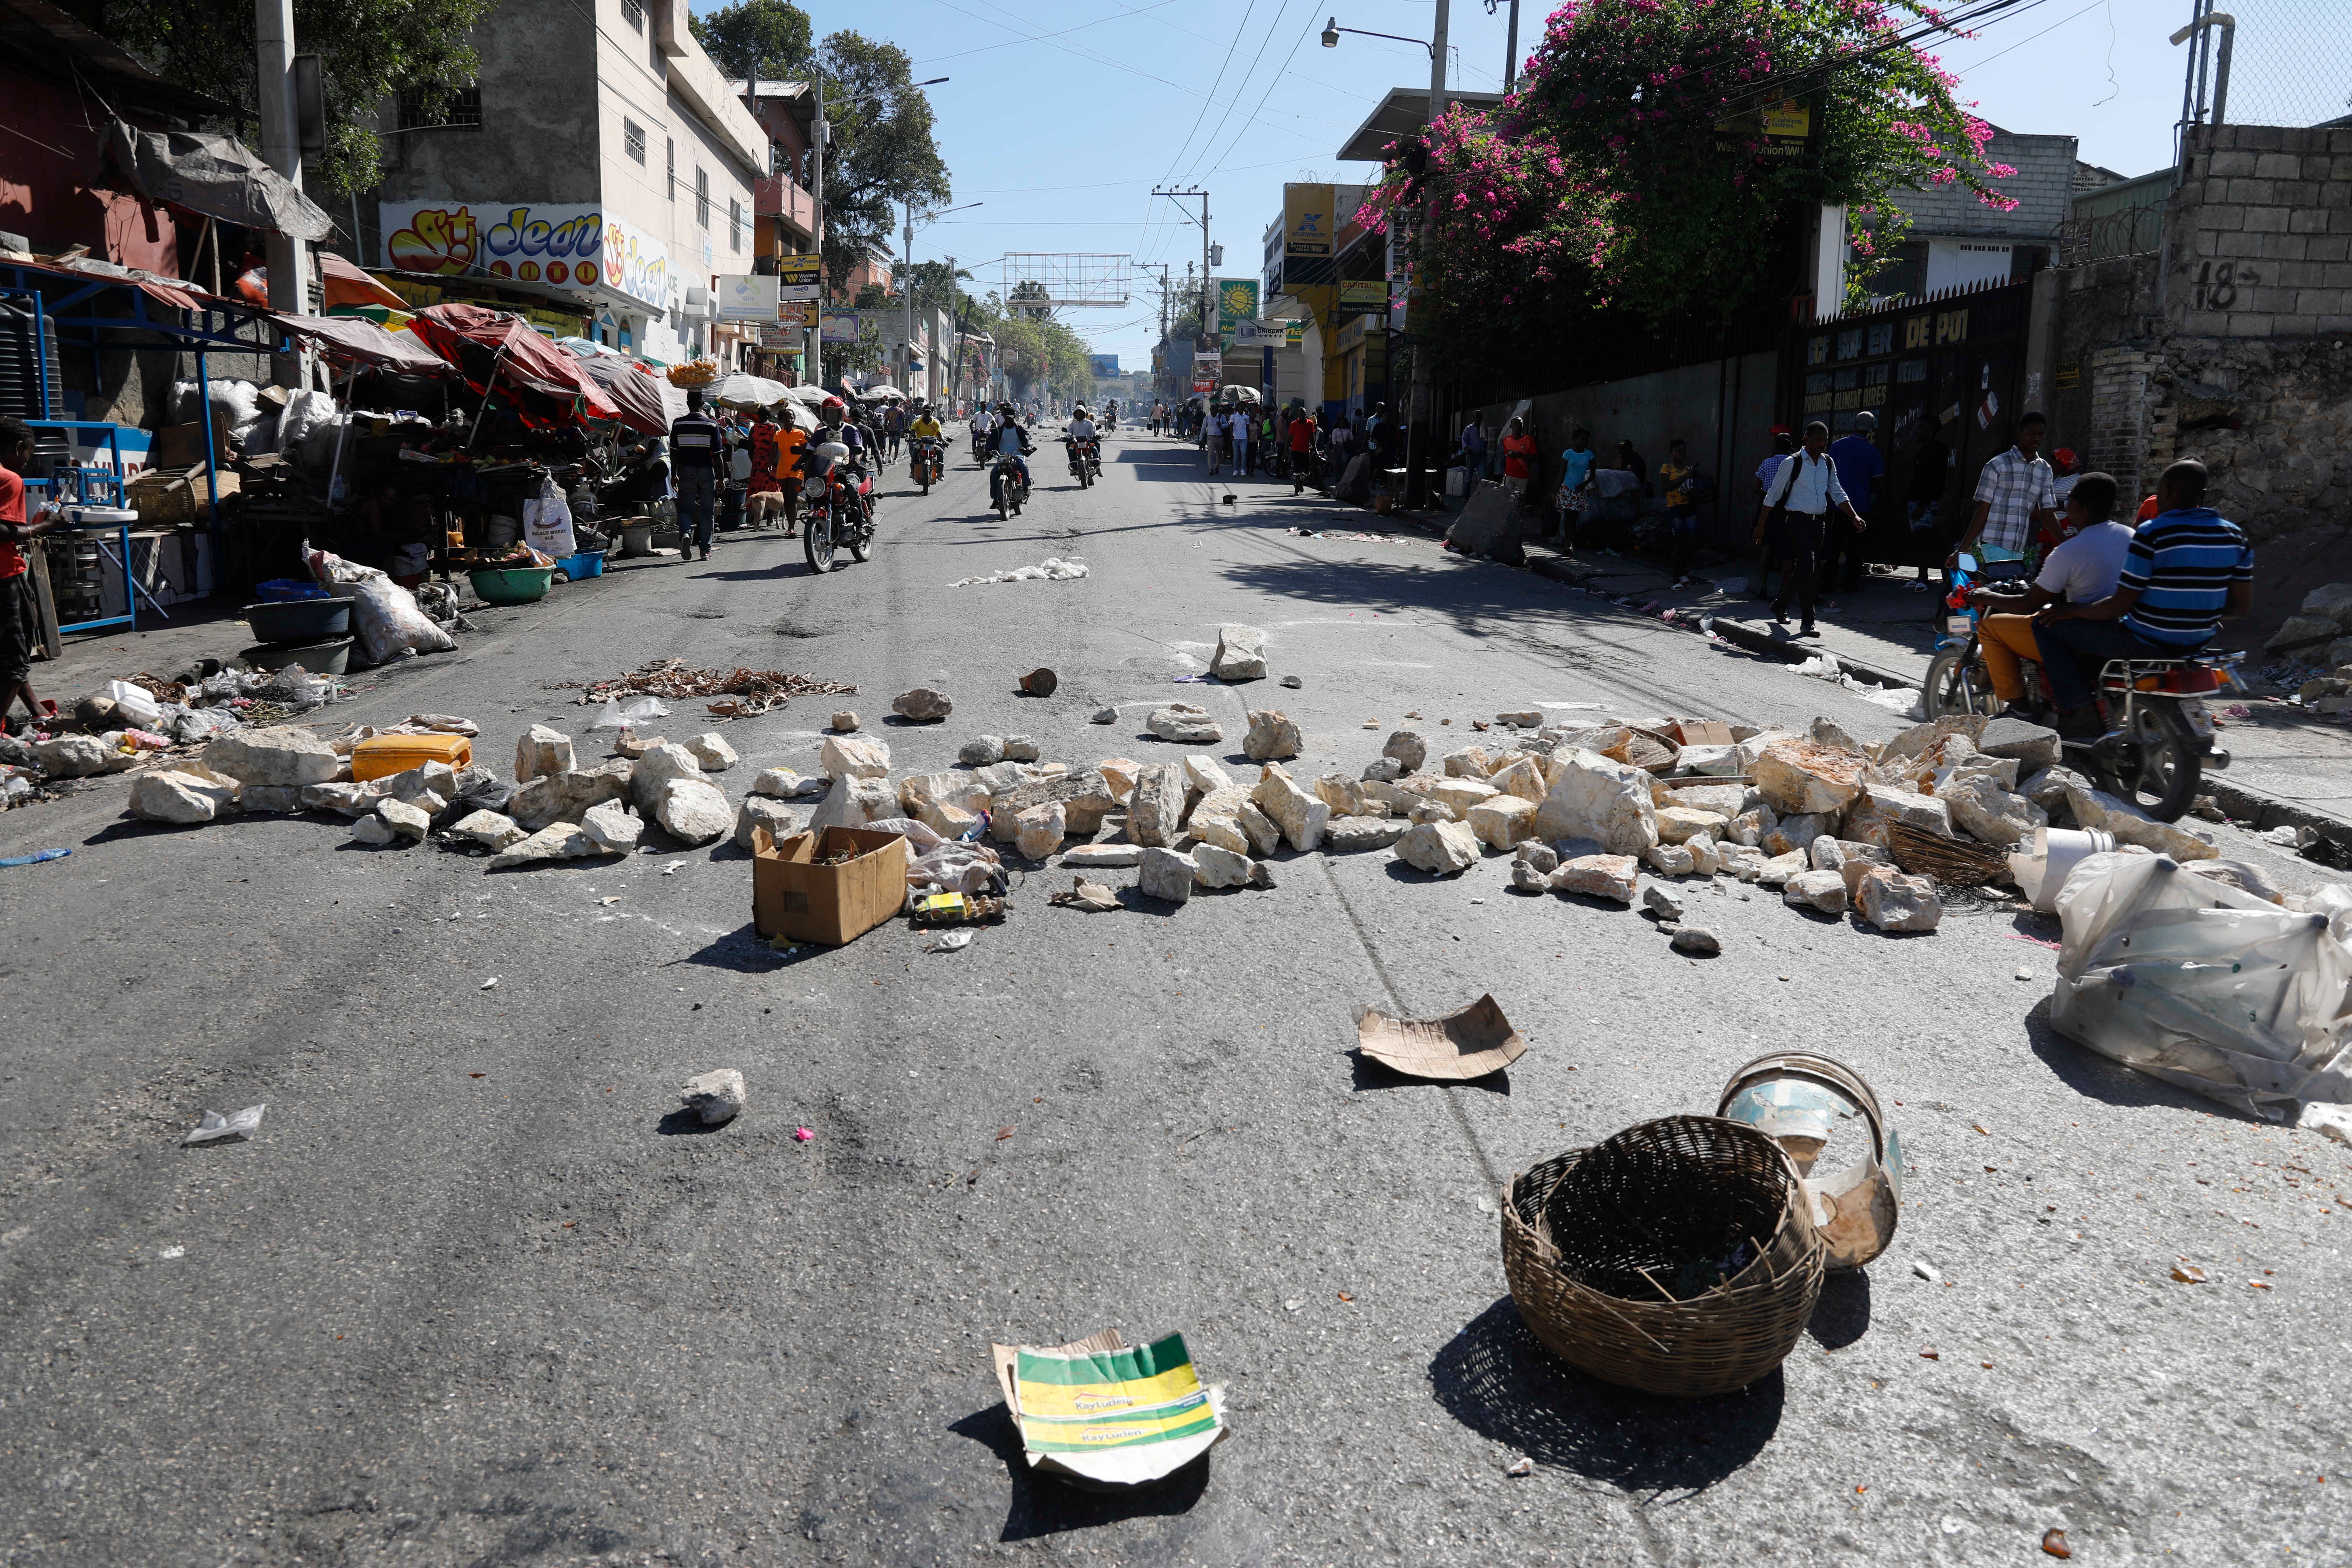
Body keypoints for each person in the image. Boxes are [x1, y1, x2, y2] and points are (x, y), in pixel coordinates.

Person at [2036, 458, 2252, 737]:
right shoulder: (2235, 537)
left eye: (2159, 491)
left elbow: (2119, 605)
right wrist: (2196, 607)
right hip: (2198, 641)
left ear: (2168, 491)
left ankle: (2080, 712)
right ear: (2204, 496)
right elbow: (2240, 607)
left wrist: (2072, 610)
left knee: (2045, 626)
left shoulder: (2152, 533)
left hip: (2145, 642)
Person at [1965, 472, 2129, 708]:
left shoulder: (2070, 550)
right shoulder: (2131, 536)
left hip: (2081, 636)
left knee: (1991, 628)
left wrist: (1984, 595)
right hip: (2118, 630)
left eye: (2068, 500)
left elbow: (2028, 604)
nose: (2065, 505)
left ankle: (2018, 710)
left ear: (2079, 506)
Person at [1756, 420, 1867, 636]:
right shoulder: (1792, 462)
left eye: (1824, 441)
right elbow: (1773, 495)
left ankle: (1780, 605)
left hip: (1819, 523)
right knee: (1808, 567)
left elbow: (1837, 492)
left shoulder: (1828, 462)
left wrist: (1854, 516)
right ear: (1806, 438)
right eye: (1816, 440)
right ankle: (1808, 621)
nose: (1820, 445)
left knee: (1807, 568)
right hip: (1797, 522)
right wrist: (1761, 527)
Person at [0, 420, 59, 732]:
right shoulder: (9, 479)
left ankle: (37, 709)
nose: (27, 461)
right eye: (28, 453)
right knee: (15, 658)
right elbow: (3, 532)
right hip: (4, 578)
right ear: (19, 447)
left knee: (11, 649)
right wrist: (45, 526)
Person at [1955, 411, 2060, 578]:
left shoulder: (2045, 469)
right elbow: (1983, 511)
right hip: (1994, 544)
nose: (2037, 439)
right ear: (2019, 434)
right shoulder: (1997, 465)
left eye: (2041, 435)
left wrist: (2067, 544)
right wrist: (1962, 550)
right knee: (2004, 594)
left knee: (2008, 595)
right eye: (2031, 434)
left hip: (2019, 548)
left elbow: (2048, 515)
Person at [1823, 411, 1886, 604]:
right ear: (1871, 428)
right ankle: (1851, 584)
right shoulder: (1873, 452)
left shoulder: (1837, 446)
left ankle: (1827, 583)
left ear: (1854, 424)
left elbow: (1826, 473)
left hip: (1836, 505)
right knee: (1855, 548)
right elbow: (1878, 482)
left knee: (1833, 544)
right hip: (1860, 507)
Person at [669, 390, 722, 562]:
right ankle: (705, 551)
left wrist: (675, 474)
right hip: (707, 470)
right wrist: (721, 478)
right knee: (707, 512)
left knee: (685, 509)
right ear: (702, 404)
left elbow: (674, 453)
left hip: (686, 470)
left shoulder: (678, 424)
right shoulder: (712, 425)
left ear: (687, 403)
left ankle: (685, 534)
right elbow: (718, 455)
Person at [1905, 418, 1951, 590]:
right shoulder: (1922, 452)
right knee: (1919, 541)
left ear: (1930, 430)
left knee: (1925, 539)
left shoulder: (1937, 451)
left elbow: (1935, 480)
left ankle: (1927, 578)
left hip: (1927, 504)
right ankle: (1921, 577)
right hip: (1916, 501)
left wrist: (1923, 505)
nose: (1916, 431)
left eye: (1920, 427)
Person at [1752, 429, 1796, 599]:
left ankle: (1763, 589)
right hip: (1788, 510)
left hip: (1768, 510)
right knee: (1787, 554)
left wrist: (1770, 494)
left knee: (1766, 550)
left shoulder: (1767, 463)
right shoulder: (1795, 463)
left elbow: (1757, 488)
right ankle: (1783, 592)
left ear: (1775, 446)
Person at [1658, 437, 1699, 586]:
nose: (1682, 454)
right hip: (1675, 509)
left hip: (1689, 508)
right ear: (1671, 453)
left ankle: (1682, 571)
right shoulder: (1667, 468)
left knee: (1693, 542)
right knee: (1678, 544)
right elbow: (1665, 487)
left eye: (1684, 451)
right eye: (1678, 451)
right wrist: (1684, 478)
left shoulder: (1689, 469)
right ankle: (1676, 578)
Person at [745, 407, 786, 531]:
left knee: (757, 490)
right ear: (770, 416)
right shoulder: (776, 428)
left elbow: (750, 449)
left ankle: (755, 518)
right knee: (773, 490)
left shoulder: (754, 429)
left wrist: (755, 463)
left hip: (758, 464)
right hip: (772, 463)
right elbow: (780, 447)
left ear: (759, 416)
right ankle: (771, 519)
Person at [988, 402, 1033, 508]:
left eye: (1009, 418)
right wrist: (988, 451)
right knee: (994, 473)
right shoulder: (998, 431)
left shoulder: (1020, 429)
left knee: (1023, 465)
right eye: (1005, 418)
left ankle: (1026, 487)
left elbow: (1027, 439)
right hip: (1003, 457)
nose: (1007, 420)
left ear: (1014, 418)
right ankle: (995, 499)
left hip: (1017, 455)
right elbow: (991, 442)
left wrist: (1029, 447)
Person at [1556, 427, 1596, 539]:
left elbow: (1593, 474)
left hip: (1579, 490)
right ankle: (1569, 544)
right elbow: (1562, 474)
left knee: (1574, 517)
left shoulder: (1589, 455)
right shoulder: (1568, 454)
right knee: (1569, 516)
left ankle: (1569, 540)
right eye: (1582, 439)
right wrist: (1554, 492)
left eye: (1587, 440)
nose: (1585, 442)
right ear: (1576, 440)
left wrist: (1585, 484)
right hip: (1567, 489)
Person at [1500, 417, 1539, 510]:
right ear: (1511, 426)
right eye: (1516, 423)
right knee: (1507, 500)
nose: (1519, 426)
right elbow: (1506, 455)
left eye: (1521, 424)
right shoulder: (1506, 441)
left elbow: (1535, 458)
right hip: (1509, 475)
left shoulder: (1529, 440)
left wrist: (1519, 455)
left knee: (1520, 502)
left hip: (1523, 477)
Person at [1289, 405, 1317, 493]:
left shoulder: (1310, 424)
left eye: (1305, 414)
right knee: (1297, 470)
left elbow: (1312, 438)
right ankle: (1297, 489)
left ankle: (1300, 481)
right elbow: (1289, 438)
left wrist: (1315, 449)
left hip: (1306, 450)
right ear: (1298, 414)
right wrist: (1285, 451)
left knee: (1307, 471)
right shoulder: (1294, 424)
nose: (1303, 415)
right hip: (1296, 450)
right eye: (1302, 413)